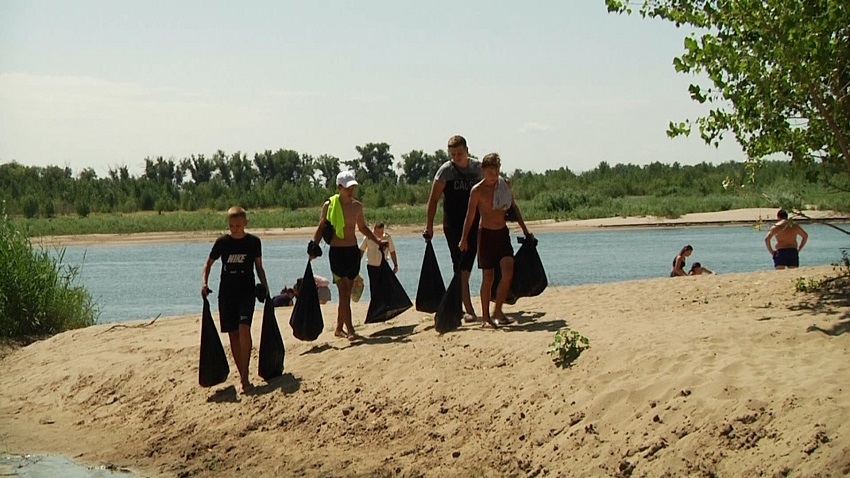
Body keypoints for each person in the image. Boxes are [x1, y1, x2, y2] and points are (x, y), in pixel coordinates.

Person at [309, 170, 387, 340]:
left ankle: (338, 328)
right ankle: (350, 329)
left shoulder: (357, 206)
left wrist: (377, 241)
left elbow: (363, 228)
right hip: (336, 253)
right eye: (347, 188)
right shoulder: (329, 205)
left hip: (352, 252)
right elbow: (322, 227)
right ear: (339, 187)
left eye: (353, 187)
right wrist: (313, 247)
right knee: (344, 292)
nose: (351, 191)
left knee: (347, 292)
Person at [459, 153, 533, 328]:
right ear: (483, 170)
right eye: (490, 169)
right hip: (485, 236)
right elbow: (470, 217)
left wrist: (525, 230)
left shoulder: (504, 185)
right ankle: (486, 317)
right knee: (488, 278)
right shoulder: (477, 191)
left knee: (508, 272)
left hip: (502, 234)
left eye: (496, 169)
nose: (494, 173)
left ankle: (498, 310)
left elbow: (513, 208)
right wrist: (464, 239)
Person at [201, 206, 269, 393]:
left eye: (238, 225)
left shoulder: (254, 242)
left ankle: (245, 375)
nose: (235, 229)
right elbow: (208, 264)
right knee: (233, 334)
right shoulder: (222, 242)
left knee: (244, 328)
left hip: (246, 289)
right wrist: (204, 284)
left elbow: (259, 267)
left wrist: (265, 287)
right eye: (231, 226)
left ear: (245, 223)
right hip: (227, 292)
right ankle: (243, 376)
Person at [425, 134, 483, 323]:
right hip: (453, 225)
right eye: (453, 154)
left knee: (468, 266)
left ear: (466, 150)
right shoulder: (445, 171)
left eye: (459, 153)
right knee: (460, 265)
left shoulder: (477, 168)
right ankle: (468, 308)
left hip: (475, 223)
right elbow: (433, 200)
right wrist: (429, 227)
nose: (456, 157)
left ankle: (461, 303)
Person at [360, 222, 399, 304]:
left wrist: (395, 265)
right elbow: (361, 251)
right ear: (374, 230)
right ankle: (375, 305)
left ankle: (385, 304)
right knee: (374, 288)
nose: (380, 234)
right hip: (371, 266)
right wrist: (356, 264)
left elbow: (392, 252)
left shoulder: (387, 238)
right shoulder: (368, 237)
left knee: (384, 287)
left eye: (382, 232)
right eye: (378, 232)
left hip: (383, 266)